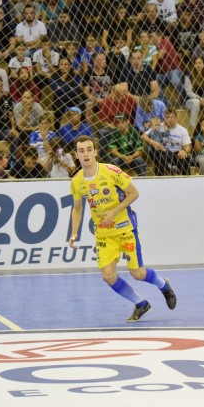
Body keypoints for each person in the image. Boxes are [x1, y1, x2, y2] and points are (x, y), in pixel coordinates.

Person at [69, 135, 176, 322]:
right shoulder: (77, 181)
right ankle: (141, 304)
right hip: (103, 234)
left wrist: (114, 212)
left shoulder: (111, 171)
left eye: (88, 150)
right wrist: (74, 232)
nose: (85, 154)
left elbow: (134, 193)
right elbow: (77, 208)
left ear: (95, 152)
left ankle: (163, 285)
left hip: (125, 229)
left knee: (138, 273)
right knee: (108, 276)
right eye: (81, 151)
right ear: (76, 154)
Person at [142, 108, 193, 176]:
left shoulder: (182, 130)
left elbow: (188, 147)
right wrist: (153, 142)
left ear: (176, 118)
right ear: (164, 117)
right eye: (167, 117)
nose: (169, 119)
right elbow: (143, 136)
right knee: (161, 157)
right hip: (163, 153)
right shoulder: (159, 126)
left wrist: (184, 151)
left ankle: (186, 179)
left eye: (172, 117)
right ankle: (160, 179)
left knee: (185, 158)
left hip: (176, 154)